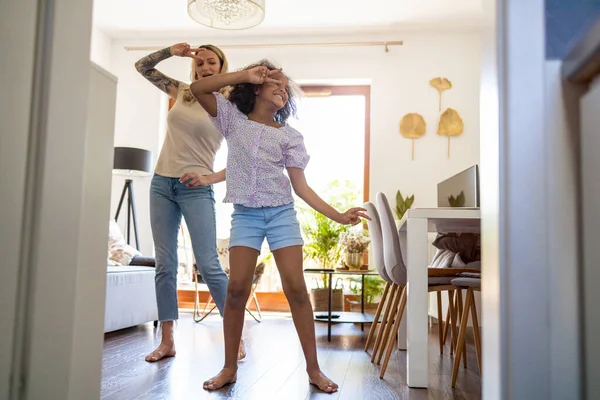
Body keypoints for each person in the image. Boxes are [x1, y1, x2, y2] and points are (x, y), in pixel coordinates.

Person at [190, 59, 370, 393]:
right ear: (256, 87)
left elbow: (301, 188)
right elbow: (198, 87)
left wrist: (339, 216)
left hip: (281, 215)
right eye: (276, 83)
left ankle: (314, 370)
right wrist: (245, 73)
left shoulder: (290, 136)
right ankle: (229, 367)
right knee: (237, 290)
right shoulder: (232, 120)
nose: (283, 89)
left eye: (286, 87)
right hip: (245, 215)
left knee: (297, 290)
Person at [134, 43, 244, 362]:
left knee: (208, 263)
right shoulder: (181, 91)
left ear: (222, 67)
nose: (205, 67)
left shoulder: (230, 105)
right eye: (200, 63)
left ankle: (235, 336)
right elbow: (143, 66)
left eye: (212, 62)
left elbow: (243, 159)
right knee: (165, 265)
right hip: (161, 184)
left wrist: (209, 178)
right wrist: (172, 51)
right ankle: (167, 340)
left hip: (195, 188)